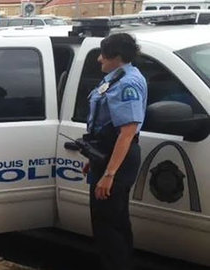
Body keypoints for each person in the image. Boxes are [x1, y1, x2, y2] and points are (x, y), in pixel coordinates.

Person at [82, 33, 147, 270]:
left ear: (116, 57)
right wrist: (95, 159)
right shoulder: (119, 76)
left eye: (103, 55)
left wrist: (109, 174)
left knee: (108, 225)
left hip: (117, 158)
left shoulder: (127, 83)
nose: (99, 59)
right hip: (108, 154)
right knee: (114, 221)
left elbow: (127, 132)